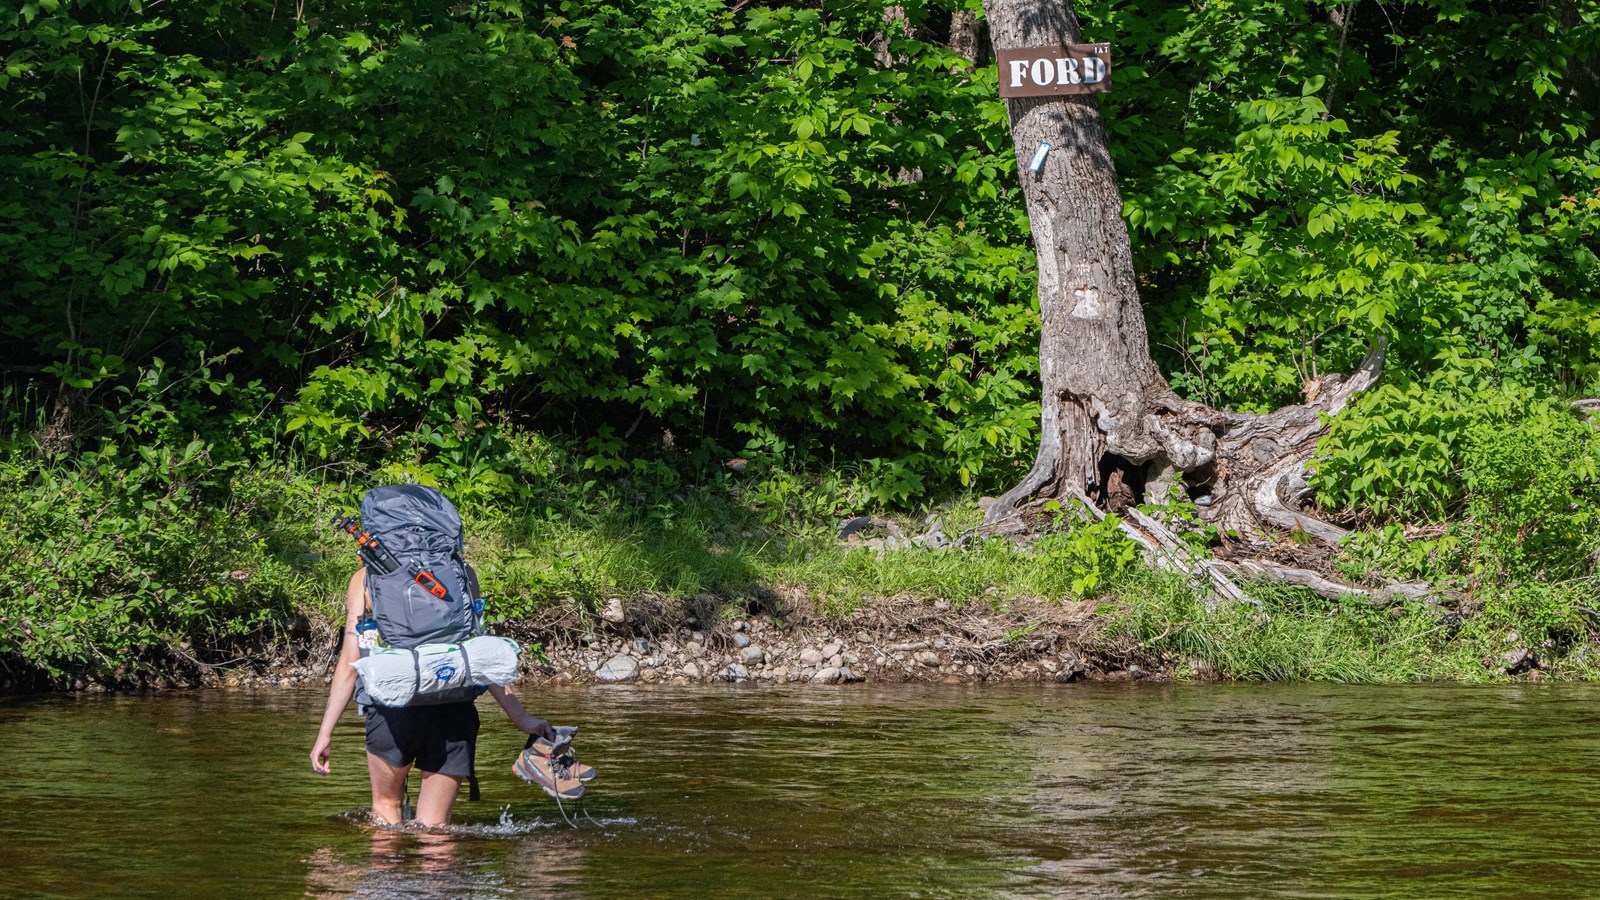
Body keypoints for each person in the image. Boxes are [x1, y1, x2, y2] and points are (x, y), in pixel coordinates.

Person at [310, 568, 553, 827]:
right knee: (435, 831)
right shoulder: (461, 570)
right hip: (453, 709)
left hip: (392, 710)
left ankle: (386, 867)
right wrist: (520, 717)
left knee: (386, 807)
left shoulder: (367, 577)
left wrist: (325, 732)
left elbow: (351, 660)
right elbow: (478, 656)